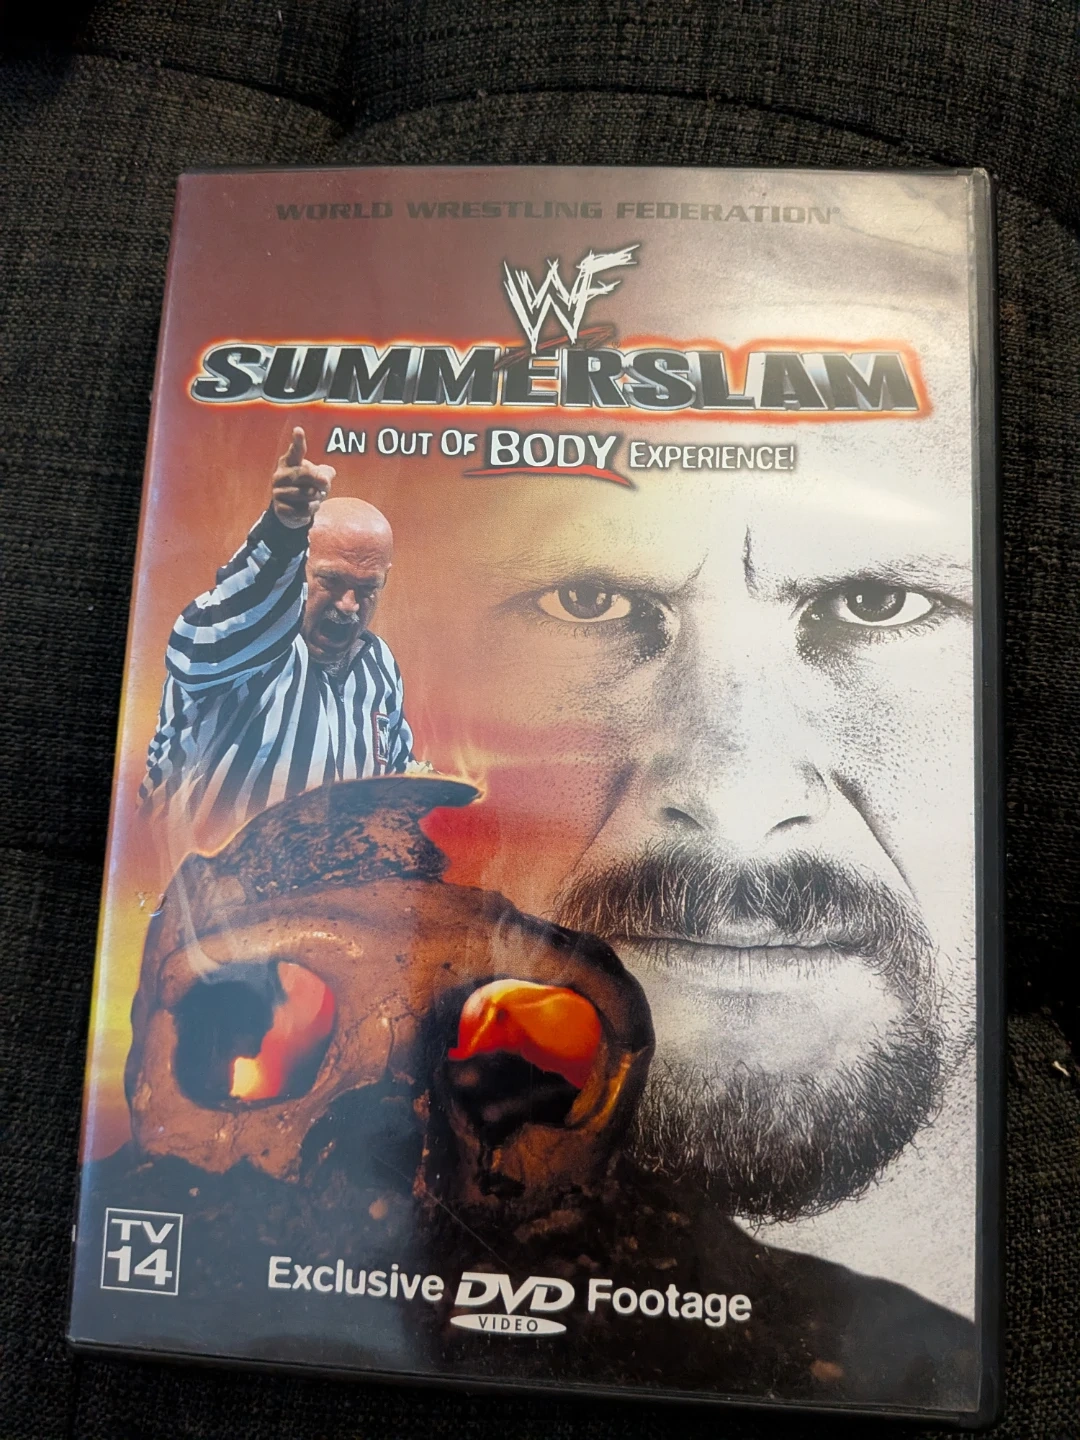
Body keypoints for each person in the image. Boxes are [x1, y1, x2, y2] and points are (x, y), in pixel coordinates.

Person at [140, 427, 416, 848]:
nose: (348, 605)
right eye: (330, 580)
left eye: (367, 588)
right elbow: (199, 652)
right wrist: (283, 532)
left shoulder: (379, 667)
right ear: (297, 567)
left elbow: (394, 780)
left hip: (317, 886)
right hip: (186, 881)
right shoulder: (244, 640)